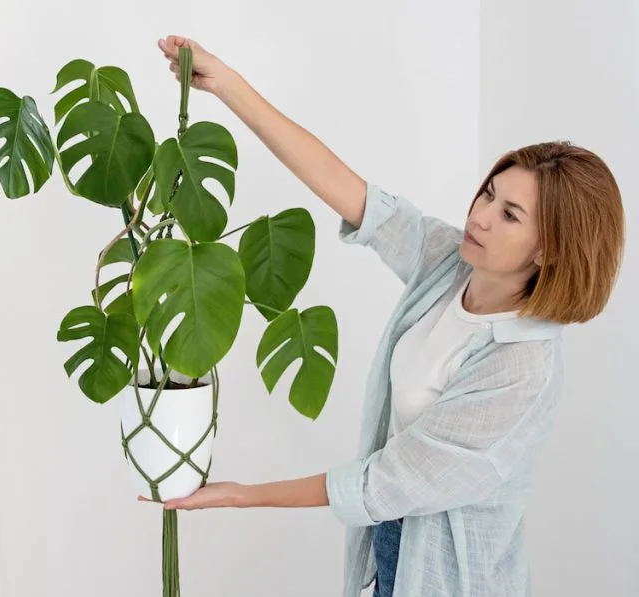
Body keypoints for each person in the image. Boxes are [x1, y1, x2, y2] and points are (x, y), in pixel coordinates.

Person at [144, 35, 626, 597]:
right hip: (389, 544)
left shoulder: (522, 368)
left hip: (448, 578)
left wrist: (239, 495)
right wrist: (226, 83)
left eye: (510, 214)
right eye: (489, 193)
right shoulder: (452, 265)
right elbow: (351, 191)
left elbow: (385, 481)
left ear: (550, 251)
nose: (481, 215)